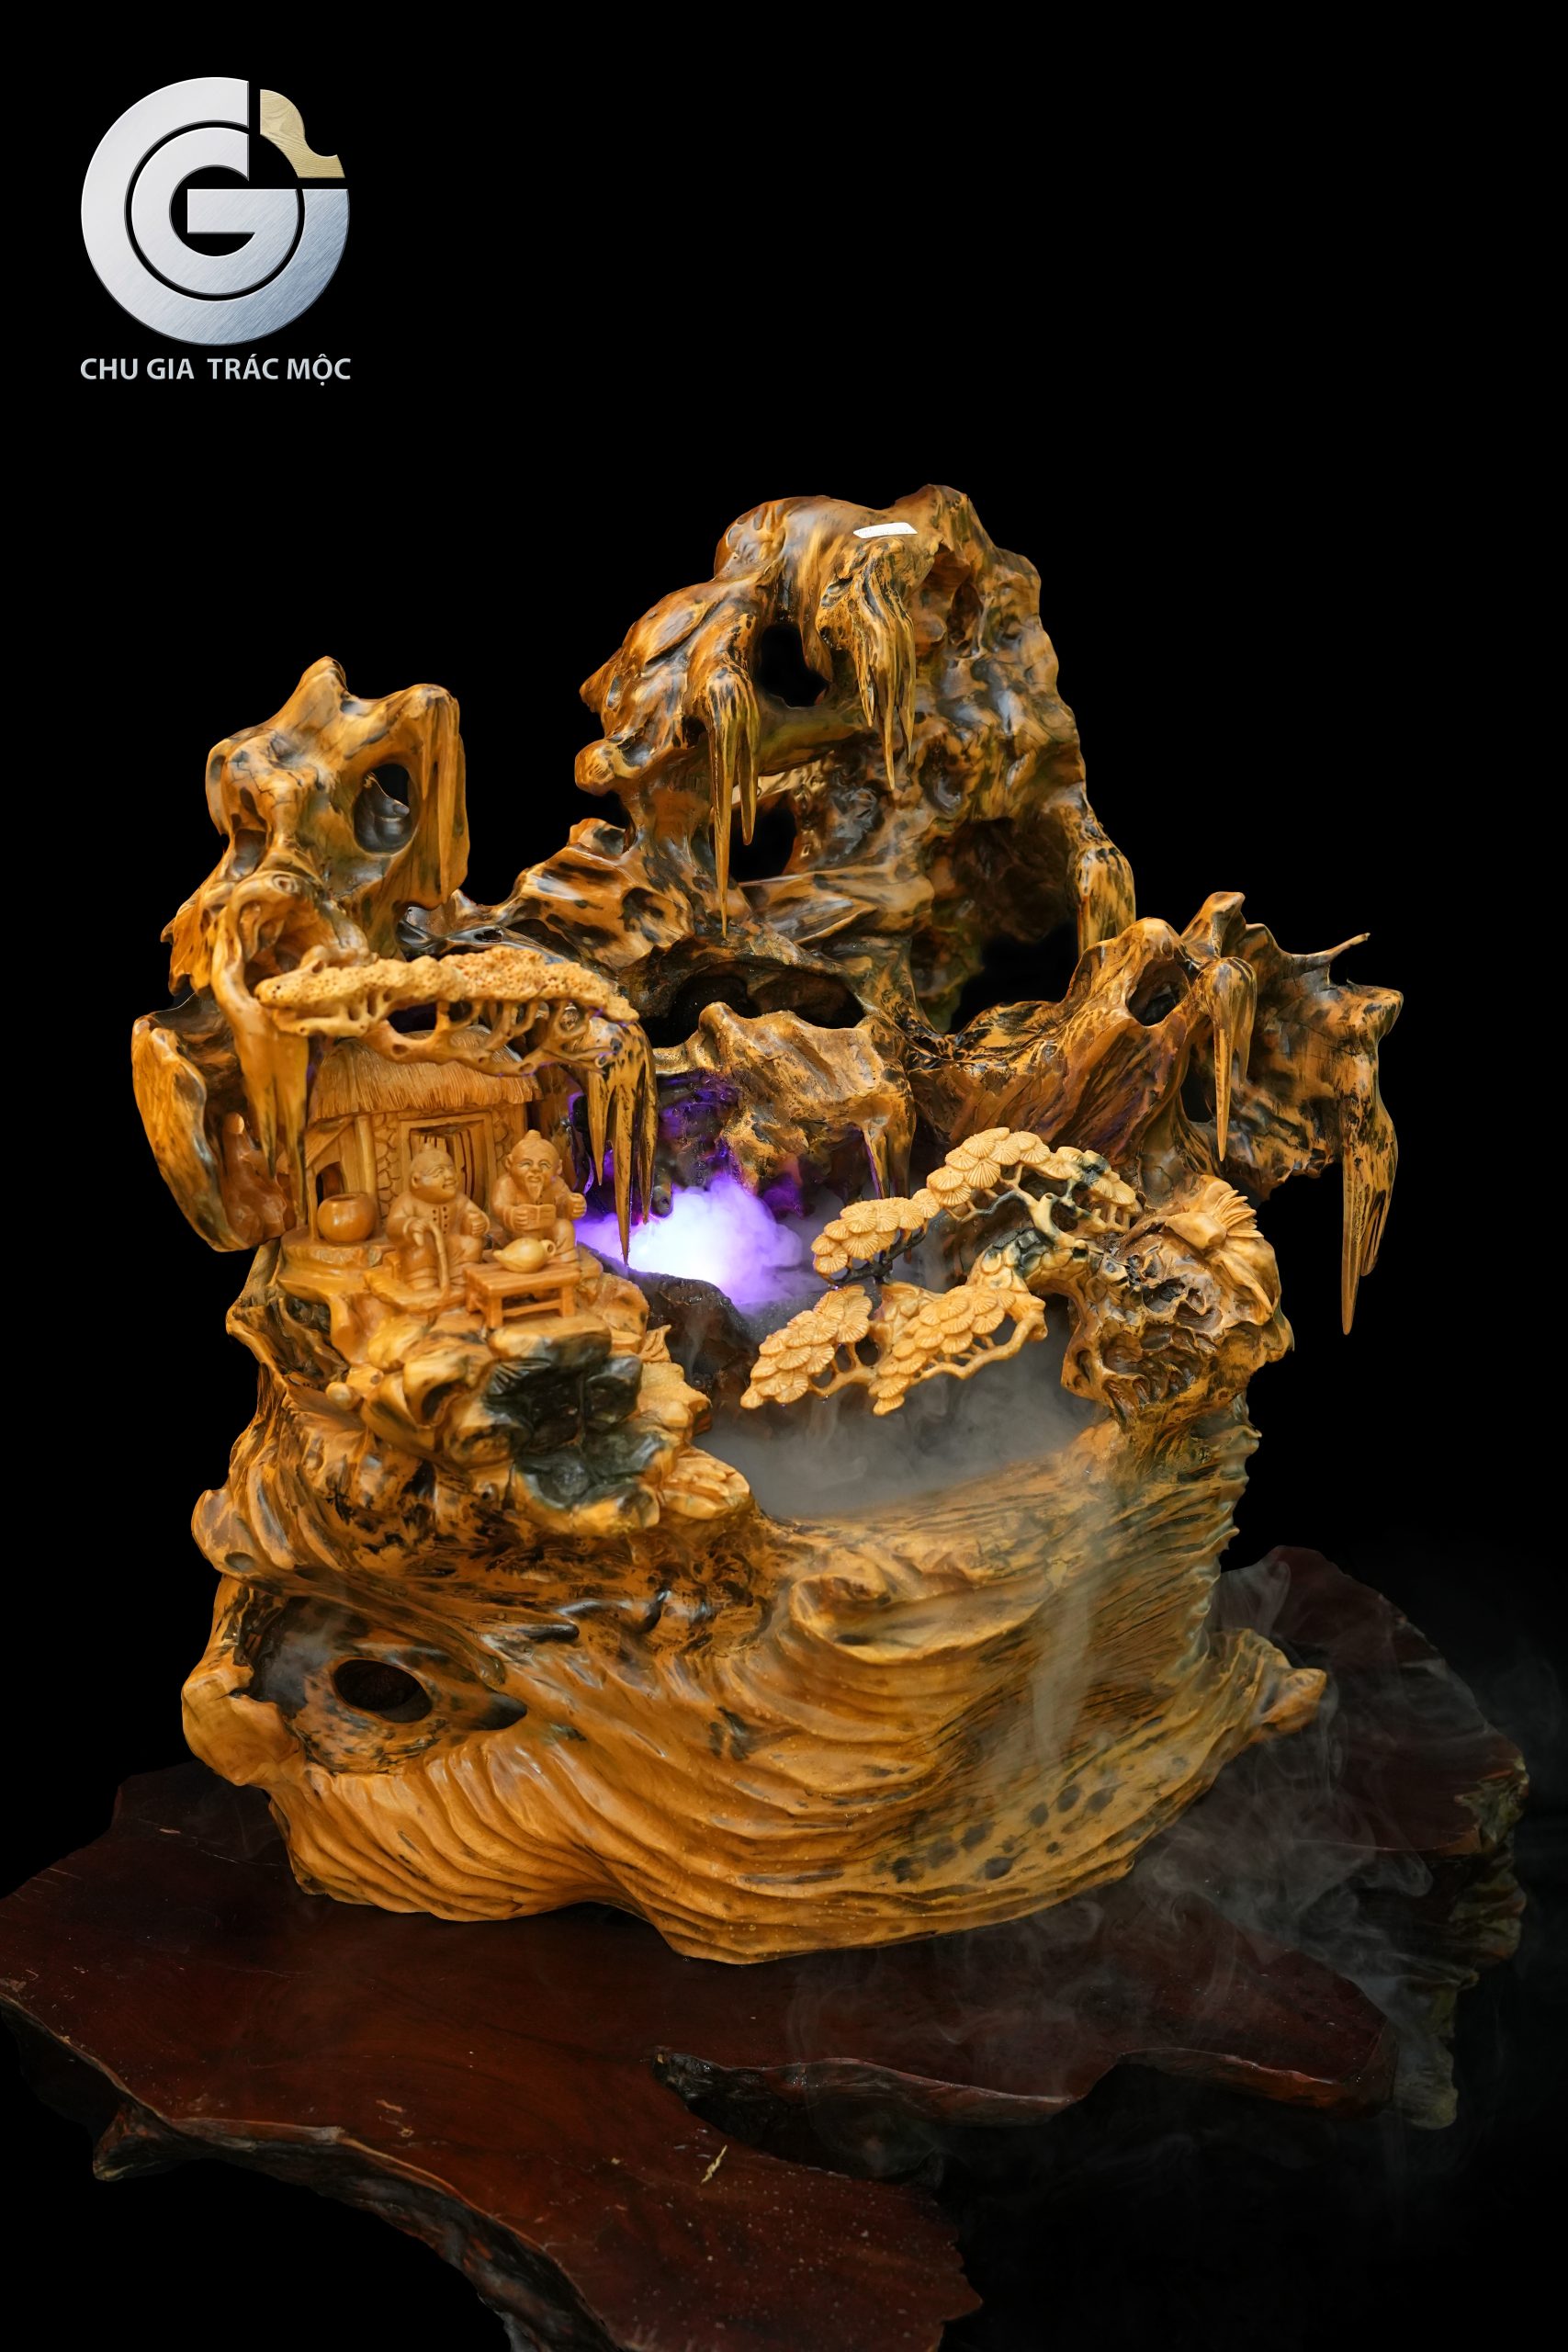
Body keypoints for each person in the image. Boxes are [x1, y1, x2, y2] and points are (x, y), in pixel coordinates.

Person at [385, 1144, 488, 1300]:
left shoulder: (459, 1199)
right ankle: (424, 1281)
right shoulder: (407, 1201)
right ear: (416, 1181)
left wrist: (477, 1222)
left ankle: (463, 1275)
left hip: (454, 1250)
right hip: (424, 1254)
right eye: (439, 1172)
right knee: (420, 1246)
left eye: (451, 1169)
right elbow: (392, 1226)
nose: (450, 1176)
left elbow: (476, 1214)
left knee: (471, 1242)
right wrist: (409, 1226)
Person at [490, 1131, 586, 1258]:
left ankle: (564, 1262)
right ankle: (530, 1263)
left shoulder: (557, 1184)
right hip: (516, 1233)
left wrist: (573, 1205)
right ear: (509, 1163)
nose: (535, 1169)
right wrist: (512, 1214)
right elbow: (498, 1207)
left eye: (544, 1165)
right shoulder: (506, 1184)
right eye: (526, 1163)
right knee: (528, 1241)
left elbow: (564, 1202)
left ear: (558, 1168)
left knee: (565, 1229)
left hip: (548, 1227)